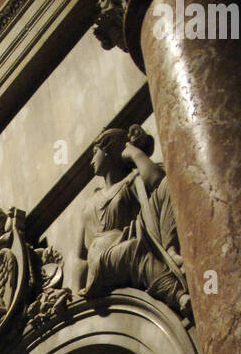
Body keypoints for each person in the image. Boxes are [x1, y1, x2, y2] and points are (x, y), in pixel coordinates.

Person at [75, 124, 191, 318]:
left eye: (95, 152)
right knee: (132, 251)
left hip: (125, 247)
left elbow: (155, 179)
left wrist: (133, 153)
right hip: (101, 261)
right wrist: (75, 294)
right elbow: (78, 256)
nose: (91, 161)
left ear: (109, 151)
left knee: (167, 185)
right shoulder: (89, 203)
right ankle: (177, 295)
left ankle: (170, 249)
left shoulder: (128, 183)